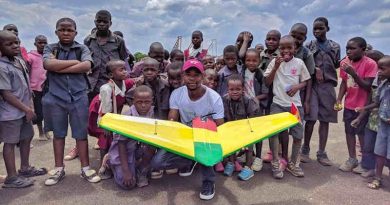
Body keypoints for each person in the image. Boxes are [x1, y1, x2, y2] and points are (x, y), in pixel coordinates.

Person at [151, 59, 224, 200]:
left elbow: (220, 126)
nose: (192, 78)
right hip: (185, 134)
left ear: (202, 76)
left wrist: (213, 147)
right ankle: (191, 160)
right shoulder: (177, 94)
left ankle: (209, 181)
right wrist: (170, 138)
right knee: (157, 162)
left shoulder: (214, 98)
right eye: (188, 74)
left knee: (205, 152)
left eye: (196, 75)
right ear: (183, 76)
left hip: (206, 136)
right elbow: (172, 119)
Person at [42, 17, 101, 186]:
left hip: (78, 96)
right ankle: (58, 169)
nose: (66, 33)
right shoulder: (50, 47)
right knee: (58, 134)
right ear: (56, 32)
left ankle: (85, 168)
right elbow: (47, 64)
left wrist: (58, 67)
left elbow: (87, 66)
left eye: (69, 30)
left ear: (76, 32)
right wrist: (75, 63)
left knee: (80, 134)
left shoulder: (82, 48)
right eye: (62, 29)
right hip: (56, 97)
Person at [0, 30, 47, 188]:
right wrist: (26, 109)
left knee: (27, 136)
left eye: (17, 42)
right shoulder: (2, 67)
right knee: (11, 142)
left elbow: (27, 87)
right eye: (9, 44)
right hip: (10, 113)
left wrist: (30, 106)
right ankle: (11, 178)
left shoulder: (19, 61)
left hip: (25, 108)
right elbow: (6, 94)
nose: (15, 46)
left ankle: (25, 168)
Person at [264, 35, 311, 179]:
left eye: (289, 48)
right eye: (282, 48)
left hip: (294, 106)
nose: (285, 51)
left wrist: (298, 86)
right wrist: (276, 67)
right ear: (279, 49)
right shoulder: (274, 62)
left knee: (297, 135)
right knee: (274, 134)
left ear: (295, 49)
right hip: (277, 104)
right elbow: (267, 82)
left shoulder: (299, 63)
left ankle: (293, 163)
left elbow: (306, 80)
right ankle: (276, 162)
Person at [303, 17, 341, 166]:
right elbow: (304, 65)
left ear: (327, 29)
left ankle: (321, 152)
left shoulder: (335, 46)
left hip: (328, 86)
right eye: (315, 29)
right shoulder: (308, 45)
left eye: (321, 28)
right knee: (310, 119)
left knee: (325, 120)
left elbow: (336, 64)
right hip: (312, 86)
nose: (317, 31)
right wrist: (316, 69)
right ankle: (305, 149)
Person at [336, 37, 378, 172]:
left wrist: (353, 74)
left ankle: (365, 162)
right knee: (349, 132)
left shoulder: (370, 64)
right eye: (347, 48)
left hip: (363, 106)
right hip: (349, 104)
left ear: (363, 50)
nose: (349, 51)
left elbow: (367, 86)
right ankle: (352, 159)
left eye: (353, 48)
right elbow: (343, 83)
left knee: (362, 134)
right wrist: (339, 99)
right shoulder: (344, 63)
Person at [88, 60, 134, 179]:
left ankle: (113, 161)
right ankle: (104, 167)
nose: (125, 71)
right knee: (105, 137)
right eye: (121, 70)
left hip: (112, 114)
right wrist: (107, 126)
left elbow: (134, 81)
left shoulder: (124, 83)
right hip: (101, 114)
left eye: (125, 69)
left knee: (115, 137)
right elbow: (105, 110)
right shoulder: (106, 89)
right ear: (111, 75)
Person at [108, 85, 155, 189]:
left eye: (147, 102)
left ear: (152, 101)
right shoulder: (127, 117)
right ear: (133, 101)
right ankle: (110, 162)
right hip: (123, 151)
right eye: (139, 102)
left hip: (139, 149)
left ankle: (141, 171)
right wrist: (126, 171)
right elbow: (121, 144)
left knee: (153, 144)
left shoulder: (152, 112)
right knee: (128, 185)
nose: (143, 105)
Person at [350, 50, 385, 177]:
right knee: (369, 145)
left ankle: (376, 170)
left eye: (381, 68)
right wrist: (361, 115)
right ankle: (368, 167)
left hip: (384, 123)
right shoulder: (376, 82)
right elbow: (372, 100)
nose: (378, 70)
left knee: (382, 148)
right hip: (372, 121)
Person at [221, 74, 261, 180]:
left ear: (243, 89)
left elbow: (252, 117)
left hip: (246, 127)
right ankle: (232, 163)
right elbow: (225, 116)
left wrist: (248, 131)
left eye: (238, 89)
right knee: (231, 145)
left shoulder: (247, 100)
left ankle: (248, 168)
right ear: (227, 89)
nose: (235, 92)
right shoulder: (224, 99)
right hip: (231, 127)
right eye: (232, 89)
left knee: (248, 146)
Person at [84, 10, 128, 101]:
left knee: (110, 112)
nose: (101, 24)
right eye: (99, 21)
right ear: (95, 22)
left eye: (105, 22)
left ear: (110, 23)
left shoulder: (118, 41)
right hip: (91, 84)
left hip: (111, 83)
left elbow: (123, 61)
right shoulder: (88, 40)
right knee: (92, 110)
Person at [241, 48, 267, 171]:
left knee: (257, 133)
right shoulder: (241, 71)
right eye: (248, 60)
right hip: (243, 107)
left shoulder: (261, 74)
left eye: (254, 60)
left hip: (256, 108)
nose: (251, 63)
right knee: (245, 132)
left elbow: (266, 93)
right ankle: (246, 155)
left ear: (259, 61)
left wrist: (256, 98)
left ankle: (258, 157)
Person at [367, 55, 390, 189]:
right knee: (380, 153)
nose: (379, 71)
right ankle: (378, 178)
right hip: (383, 125)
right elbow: (376, 102)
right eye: (378, 68)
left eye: (383, 69)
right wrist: (364, 108)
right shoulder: (383, 85)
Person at [259, 30, 281, 163]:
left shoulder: (281, 55)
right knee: (265, 122)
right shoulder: (260, 55)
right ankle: (269, 151)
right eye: (268, 39)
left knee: (275, 124)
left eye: (274, 39)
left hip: (276, 94)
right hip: (263, 93)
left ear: (279, 41)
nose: (271, 41)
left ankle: (275, 152)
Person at [27, 35, 50, 141]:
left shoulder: (49, 56)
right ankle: (41, 132)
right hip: (35, 89)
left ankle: (47, 131)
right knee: (39, 112)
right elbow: (27, 73)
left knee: (47, 111)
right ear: (35, 44)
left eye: (45, 42)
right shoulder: (30, 56)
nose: (43, 45)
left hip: (47, 88)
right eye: (40, 42)